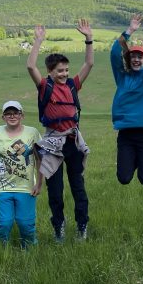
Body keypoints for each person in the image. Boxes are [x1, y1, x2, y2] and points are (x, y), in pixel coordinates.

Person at [27, 21, 93, 242]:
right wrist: (38, 41)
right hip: (52, 144)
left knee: (78, 188)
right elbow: (30, 67)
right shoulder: (45, 87)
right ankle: (59, 228)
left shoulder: (73, 86)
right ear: (50, 72)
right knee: (55, 192)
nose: (64, 74)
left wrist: (89, 39)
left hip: (72, 142)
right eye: (60, 71)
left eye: (66, 70)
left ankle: (82, 225)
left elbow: (89, 64)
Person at [0, 101, 42, 247]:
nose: (12, 116)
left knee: (26, 223)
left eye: (16, 113)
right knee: (3, 223)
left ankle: (29, 250)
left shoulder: (32, 132)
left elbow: (40, 159)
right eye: (8, 113)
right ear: (3, 117)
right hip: (2, 187)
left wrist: (39, 183)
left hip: (26, 188)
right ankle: (1, 251)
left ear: (22, 115)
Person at [110, 14, 143, 186]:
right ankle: (136, 157)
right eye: (133, 57)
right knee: (124, 179)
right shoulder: (122, 77)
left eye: (140, 57)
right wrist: (129, 30)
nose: (136, 59)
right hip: (126, 133)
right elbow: (114, 53)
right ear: (129, 59)